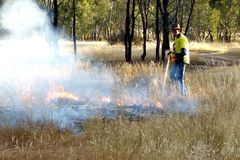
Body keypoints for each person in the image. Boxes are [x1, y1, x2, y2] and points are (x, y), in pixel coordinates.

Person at [168, 23, 190, 96]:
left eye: (176, 30)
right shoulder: (176, 38)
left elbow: (184, 52)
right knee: (171, 75)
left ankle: (184, 95)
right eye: (173, 30)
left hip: (182, 60)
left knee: (179, 78)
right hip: (178, 60)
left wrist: (175, 56)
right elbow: (177, 50)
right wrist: (172, 53)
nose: (174, 31)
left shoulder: (182, 39)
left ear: (179, 30)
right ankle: (179, 90)